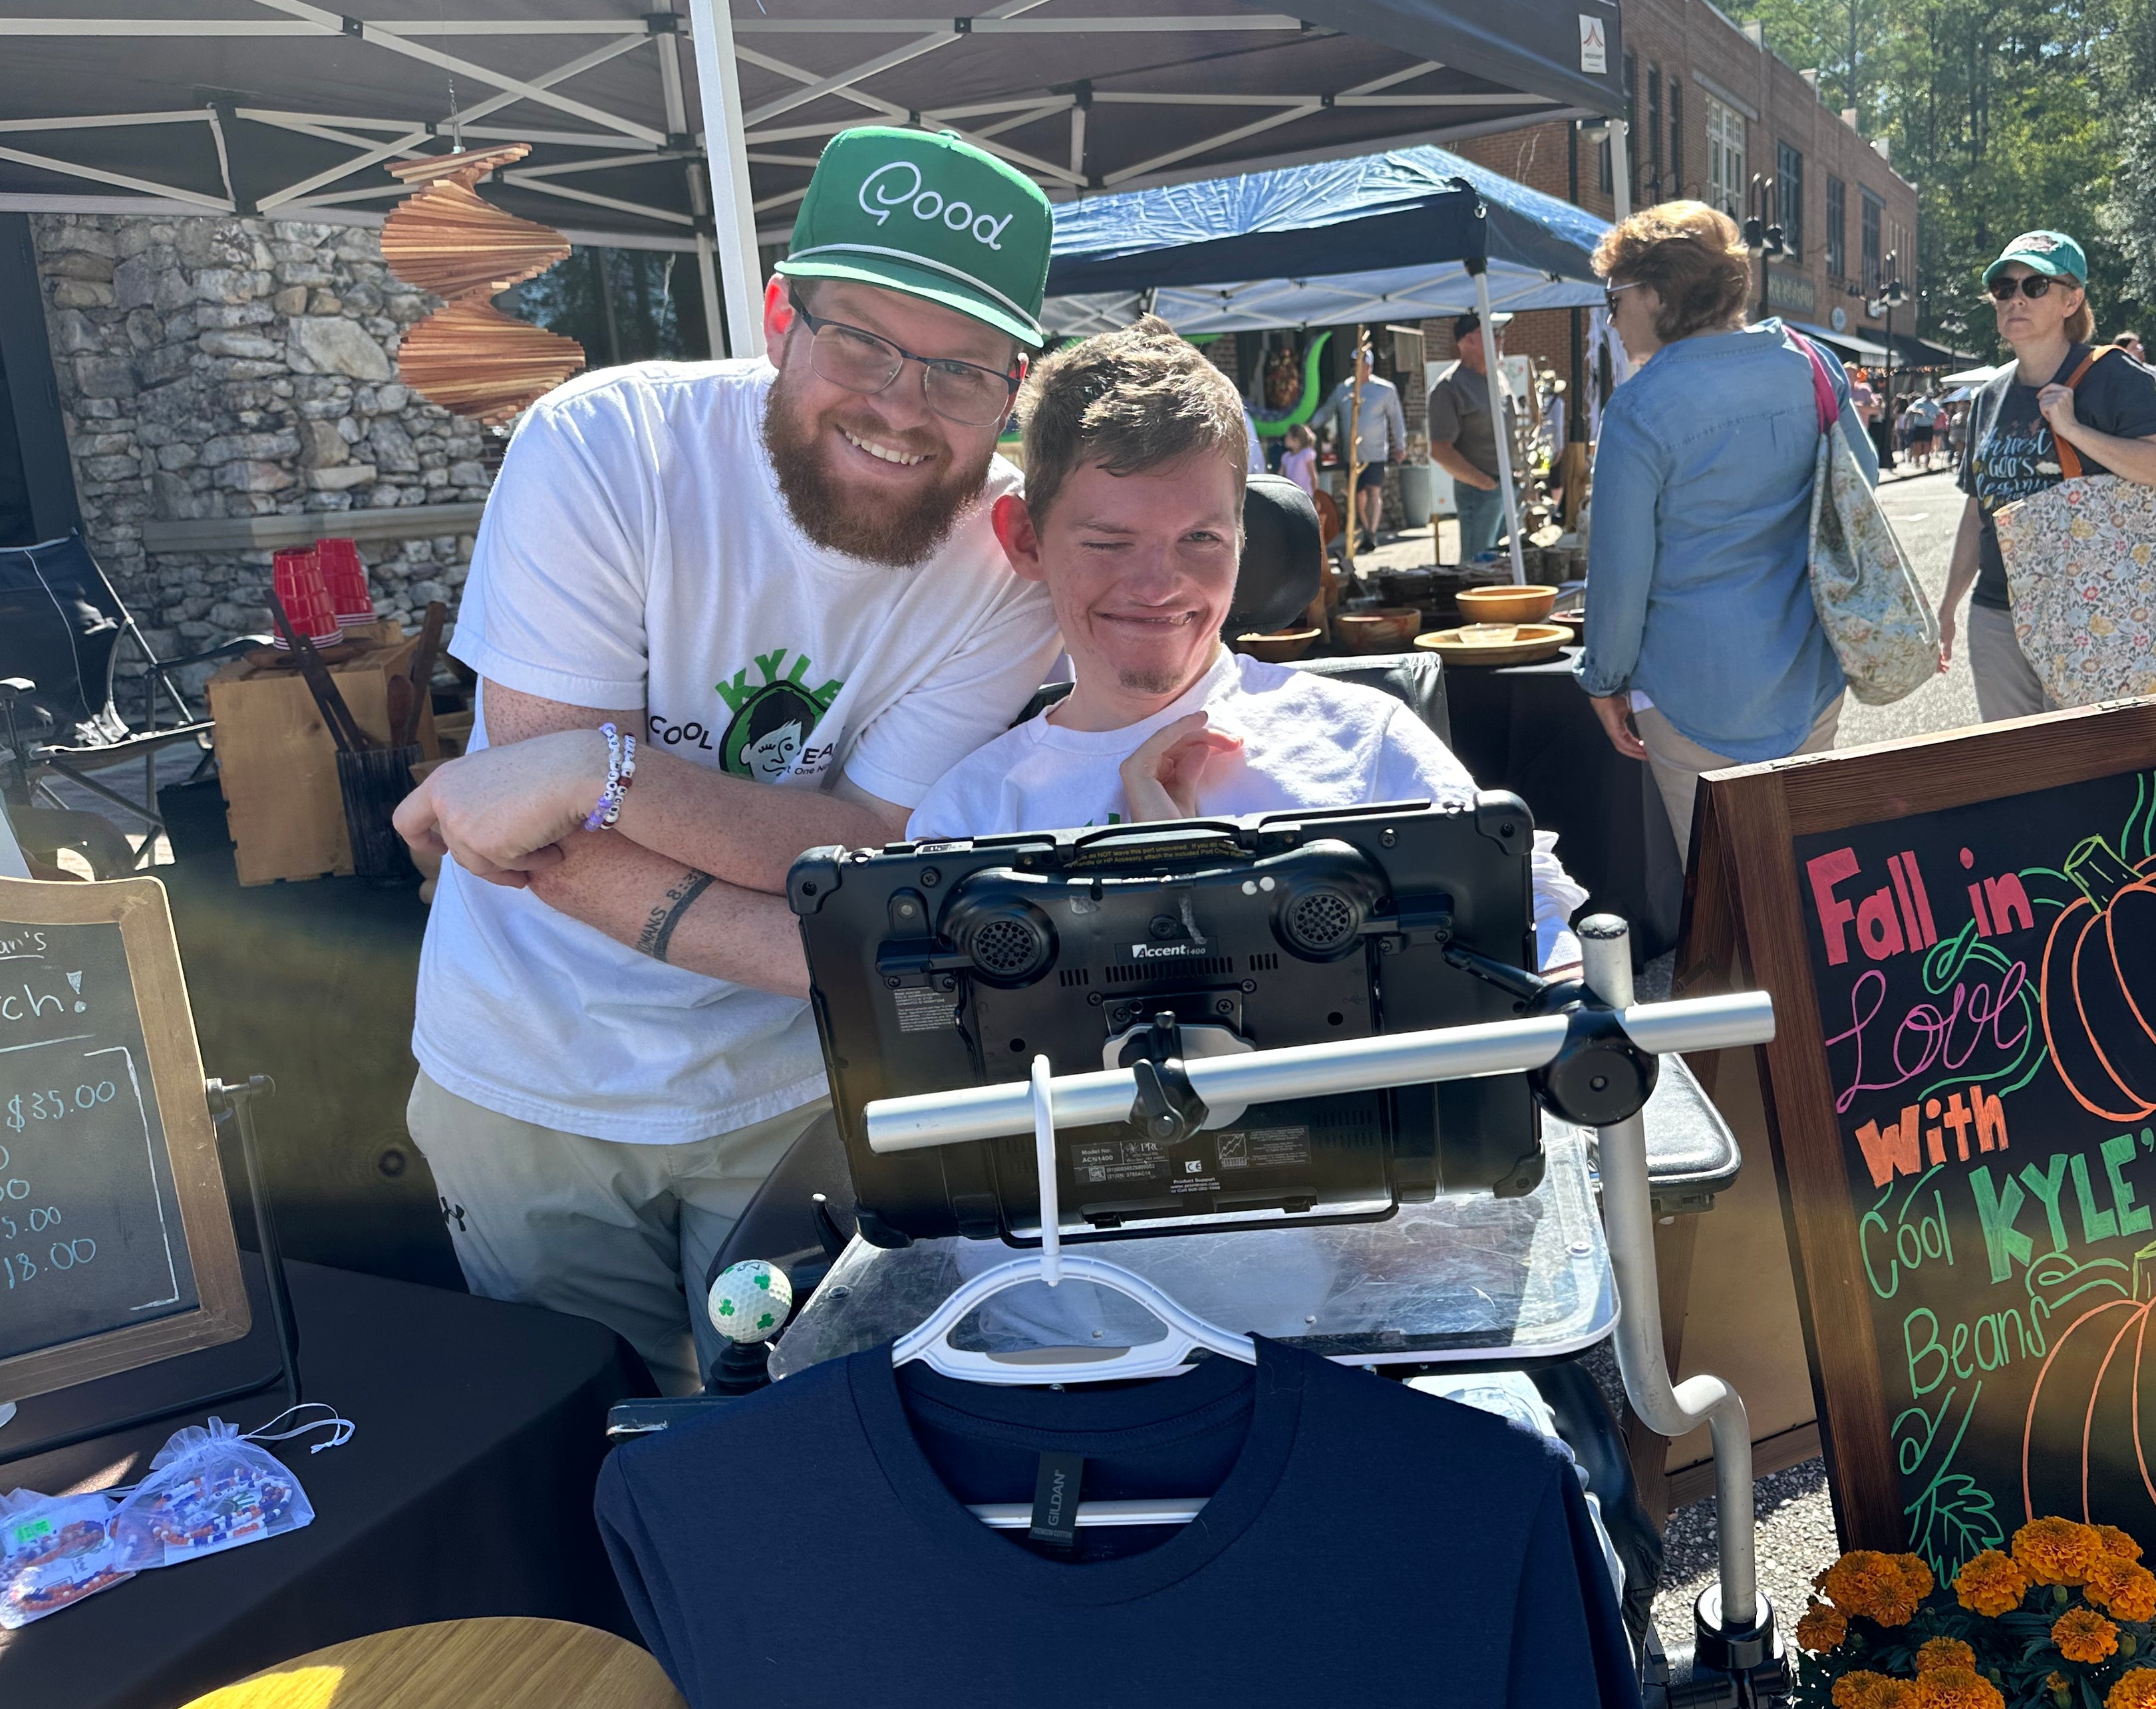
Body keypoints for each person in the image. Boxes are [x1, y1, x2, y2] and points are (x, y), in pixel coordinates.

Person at [388, 127, 1066, 1390]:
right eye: (861, 338)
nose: (902, 405)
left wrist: (613, 774)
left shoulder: (1010, 562)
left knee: (797, 1461)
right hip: (530, 1075)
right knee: (582, 1460)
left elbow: (870, 841)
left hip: (795, 1094)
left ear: (1013, 388)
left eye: (964, 370)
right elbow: (556, 842)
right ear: (778, 318)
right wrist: (804, 924)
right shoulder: (605, 449)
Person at [903, 317, 1587, 969]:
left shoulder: (1363, 742)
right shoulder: (971, 819)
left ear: (1243, 538)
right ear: (1027, 539)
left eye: (1201, 538)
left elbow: (1538, 922)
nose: (1157, 585)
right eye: (1109, 542)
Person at [1573, 202, 1855, 864]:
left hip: (1692, 685)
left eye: (1615, 298)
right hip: (1809, 669)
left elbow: (1619, 572)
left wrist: (1603, 681)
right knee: (1811, 876)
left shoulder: (1640, 409)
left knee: (1730, 892)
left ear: (1655, 293)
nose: (1611, 317)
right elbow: (1858, 501)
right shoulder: (1812, 363)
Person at [1938, 230, 2156, 722]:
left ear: (2072, 300)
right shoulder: (1990, 394)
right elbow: (1977, 512)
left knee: (2090, 766)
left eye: (2035, 287)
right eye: (2005, 289)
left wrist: (2073, 429)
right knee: (2016, 766)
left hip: (2088, 608)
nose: (2016, 300)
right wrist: (1948, 606)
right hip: (1997, 611)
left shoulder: (2112, 376)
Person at [1429, 311, 1518, 563]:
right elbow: (1440, 450)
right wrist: (1485, 483)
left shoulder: (1498, 378)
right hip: (1480, 494)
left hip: (1508, 489)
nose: (1501, 339)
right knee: (1477, 570)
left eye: (1501, 333)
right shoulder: (1449, 387)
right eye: (1493, 333)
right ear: (1468, 340)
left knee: (1506, 568)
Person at [1312, 345, 1407, 553]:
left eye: (1360, 365)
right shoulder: (1343, 390)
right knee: (1358, 495)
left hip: (1375, 453)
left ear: (1369, 366)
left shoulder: (1385, 390)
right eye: (1353, 365)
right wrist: (1310, 426)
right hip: (1352, 454)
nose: (1356, 369)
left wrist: (1401, 445)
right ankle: (1366, 530)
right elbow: (1327, 411)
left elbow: (1396, 419)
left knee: (1374, 491)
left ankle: (1371, 533)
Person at [1279, 421, 1318, 498]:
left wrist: (1316, 496)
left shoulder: (1306, 454)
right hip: (1292, 496)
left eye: (1288, 436)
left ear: (1296, 439)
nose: (1285, 439)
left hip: (1306, 496)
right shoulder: (1286, 457)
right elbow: (1281, 475)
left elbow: (1313, 477)